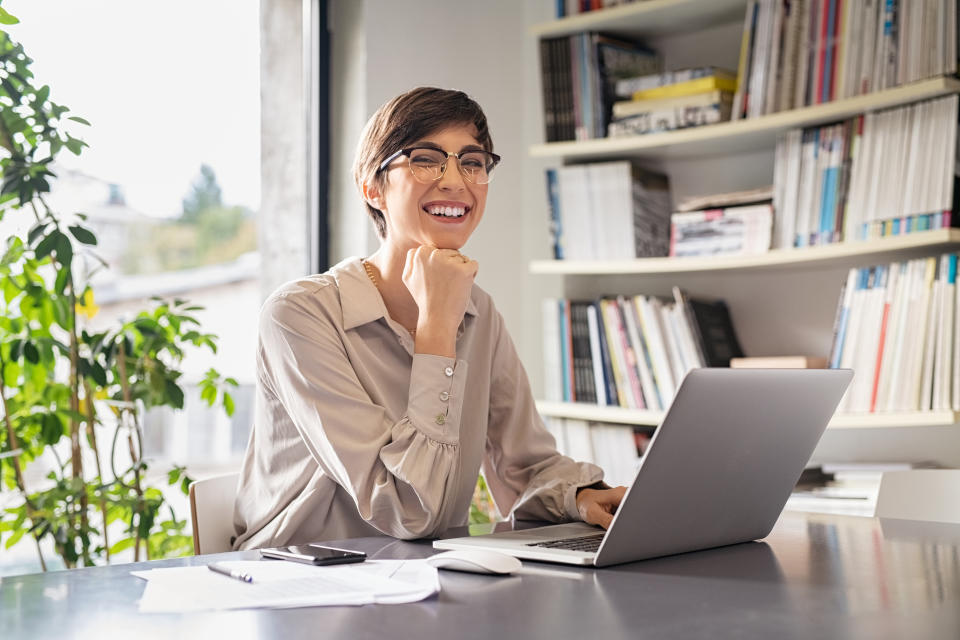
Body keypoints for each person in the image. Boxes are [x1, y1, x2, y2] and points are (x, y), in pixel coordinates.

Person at [232, 87, 626, 550]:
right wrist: (436, 328)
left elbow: (524, 466)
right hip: (296, 586)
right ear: (372, 186)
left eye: (473, 163)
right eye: (426, 158)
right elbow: (406, 511)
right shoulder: (299, 315)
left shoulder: (480, 312)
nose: (456, 181)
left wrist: (580, 497)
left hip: (418, 578)